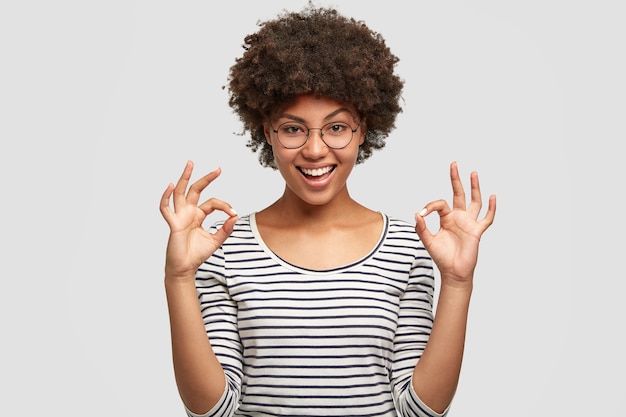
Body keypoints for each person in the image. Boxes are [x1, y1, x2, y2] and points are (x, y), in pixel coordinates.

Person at [159, 3, 496, 417]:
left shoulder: (409, 248)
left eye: (336, 127)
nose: (315, 149)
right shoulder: (221, 248)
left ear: (363, 130)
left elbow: (419, 410)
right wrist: (178, 277)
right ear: (267, 131)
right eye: (293, 128)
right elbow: (212, 409)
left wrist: (458, 283)